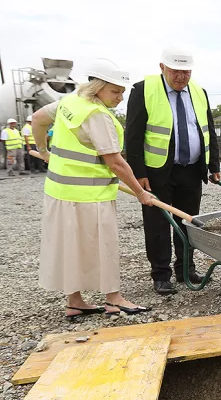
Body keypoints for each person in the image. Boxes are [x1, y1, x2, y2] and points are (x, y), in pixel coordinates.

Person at [31, 58, 155, 320]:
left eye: (122, 91)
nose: (120, 97)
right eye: (115, 91)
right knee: (104, 246)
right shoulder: (97, 115)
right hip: (90, 197)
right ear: (97, 87)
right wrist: (141, 193)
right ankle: (114, 300)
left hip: (59, 193)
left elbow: (38, 118)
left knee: (71, 246)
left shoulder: (71, 102)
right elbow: (116, 162)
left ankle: (74, 301)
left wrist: (44, 151)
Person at [126, 45, 221, 295]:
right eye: (176, 72)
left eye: (186, 72)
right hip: (157, 173)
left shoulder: (199, 92)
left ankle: (186, 269)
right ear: (162, 67)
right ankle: (161, 275)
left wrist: (214, 166)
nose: (181, 77)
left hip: (191, 170)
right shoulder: (143, 90)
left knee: (188, 222)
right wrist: (139, 173)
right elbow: (133, 135)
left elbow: (208, 130)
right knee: (158, 224)